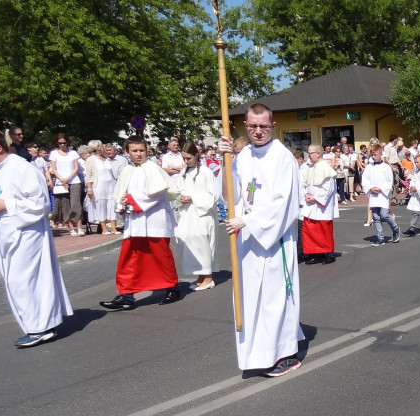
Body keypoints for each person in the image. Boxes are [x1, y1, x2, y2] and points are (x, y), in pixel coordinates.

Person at [216, 103, 304, 377]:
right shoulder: (243, 157)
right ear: (245, 124)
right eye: (252, 126)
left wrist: (249, 220)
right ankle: (258, 350)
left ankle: (285, 354)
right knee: (251, 296)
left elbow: (286, 203)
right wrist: (225, 161)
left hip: (272, 236)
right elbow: (230, 194)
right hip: (248, 239)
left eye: (263, 126)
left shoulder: (282, 157)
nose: (257, 131)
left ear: (272, 126)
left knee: (275, 297)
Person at [0, 129, 72, 348]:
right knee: (15, 282)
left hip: (27, 232)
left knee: (25, 281)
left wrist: (7, 205)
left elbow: (41, 204)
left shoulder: (22, 168)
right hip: (5, 233)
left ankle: (41, 327)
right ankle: (37, 325)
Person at [100, 135, 183, 311]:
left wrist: (130, 200)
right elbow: (121, 192)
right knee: (130, 258)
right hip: (135, 221)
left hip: (154, 219)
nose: (139, 154)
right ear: (127, 152)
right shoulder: (127, 170)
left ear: (147, 150)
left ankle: (171, 287)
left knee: (161, 256)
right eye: (135, 151)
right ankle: (126, 295)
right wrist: (121, 204)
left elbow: (158, 193)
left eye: (142, 150)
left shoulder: (153, 168)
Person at [175, 141, 219, 289]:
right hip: (188, 213)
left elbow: (213, 195)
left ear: (196, 155)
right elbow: (179, 189)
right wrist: (181, 198)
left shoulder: (206, 172)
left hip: (202, 214)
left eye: (189, 158)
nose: (186, 161)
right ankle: (199, 275)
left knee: (202, 242)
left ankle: (208, 277)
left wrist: (193, 198)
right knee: (188, 241)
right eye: (184, 158)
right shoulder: (183, 172)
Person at [299, 144, 338, 265]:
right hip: (310, 204)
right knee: (310, 230)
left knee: (323, 231)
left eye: (310, 153)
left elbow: (329, 189)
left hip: (322, 206)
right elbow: (304, 184)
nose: (308, 155)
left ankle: (328, 254)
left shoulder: (326, 168)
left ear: (318, 154)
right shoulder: (310, 167)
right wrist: (305, 194)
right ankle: (317, 253)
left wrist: (315, 198)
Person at [363, 144, 401, 246]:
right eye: (372, 155)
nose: (374, 157)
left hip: (382, 195)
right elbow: (365, 180)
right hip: (373, 194)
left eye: (375, 155)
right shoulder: (369, 167)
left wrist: (381, 188)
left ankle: (396, 229)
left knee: (384, 214)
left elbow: (389, 181)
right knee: (375, 217)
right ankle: (380, 238)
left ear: (381, 154)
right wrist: (370, 188)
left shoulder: (386, 167)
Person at [49, 133, 85, 236]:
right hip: (61, 182)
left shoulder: (73, 153)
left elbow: (76, 168)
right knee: (65, 205)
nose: (62, 145)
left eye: (64, 143)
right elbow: (54, 169)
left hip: (74, 181)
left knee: (76, 204)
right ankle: (71, 228)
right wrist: (62, 180)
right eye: (60, 143)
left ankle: (79, 227)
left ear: (67, 143)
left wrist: (68, 179)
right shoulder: (54, 154)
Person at [84, 139, 117, 235]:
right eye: (102, 146)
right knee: (100, 205)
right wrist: (89, 188)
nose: (104, 148)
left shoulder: (106, 159)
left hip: (110, 184)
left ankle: (114, 227)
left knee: (112, 205)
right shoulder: (91, 159)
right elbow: (88, 175)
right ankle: (104, 228)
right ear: (97, 148)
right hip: (99, 185)